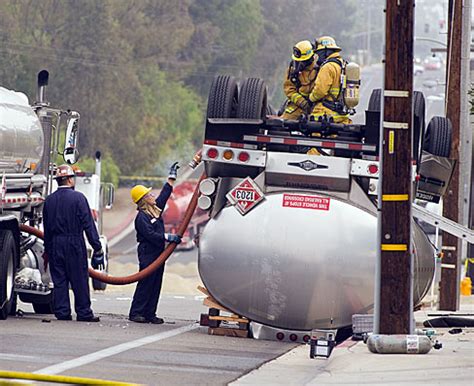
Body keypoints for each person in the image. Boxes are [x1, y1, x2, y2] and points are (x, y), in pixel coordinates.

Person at [43, 164, 104, 322]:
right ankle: (83, 312)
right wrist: (97, 248)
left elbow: (47, 228)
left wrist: (47, 249)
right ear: (70, 180)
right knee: (79, 278)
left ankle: (62, 312)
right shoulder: (79, 198)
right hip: (74, 242)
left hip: (55, 243)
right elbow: (88, 225)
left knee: (60, 279)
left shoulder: (49, 201)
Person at [128, 162, 182, 324]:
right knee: (146, 281)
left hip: (158, 252)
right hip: (148, 252)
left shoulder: (154, 210)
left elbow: (164, 196)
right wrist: (167, 237)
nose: (153, 196)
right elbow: (150, 235)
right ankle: (136, 313)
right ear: (143, 200)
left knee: (156, 282)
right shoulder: (141, 218)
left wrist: (170, 180)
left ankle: (150, 313)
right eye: (149, 195)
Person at [308, 36, 351, 124]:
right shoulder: (344, 64)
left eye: (319, 53)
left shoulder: (327, 67)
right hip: (341, 115)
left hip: (325, 114)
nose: (318, 57)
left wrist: (311, 98)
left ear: (326, 52)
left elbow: (320, 91)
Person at [281, 40, 318, 120]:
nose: (299, 64)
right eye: (298, 61)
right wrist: (302, 102)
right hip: (297, 106)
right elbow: (289, 90)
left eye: (303, 61)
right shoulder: (292, 70)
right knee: (284, 123)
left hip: (317, 106)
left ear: (310, 58)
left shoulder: (320, 68)